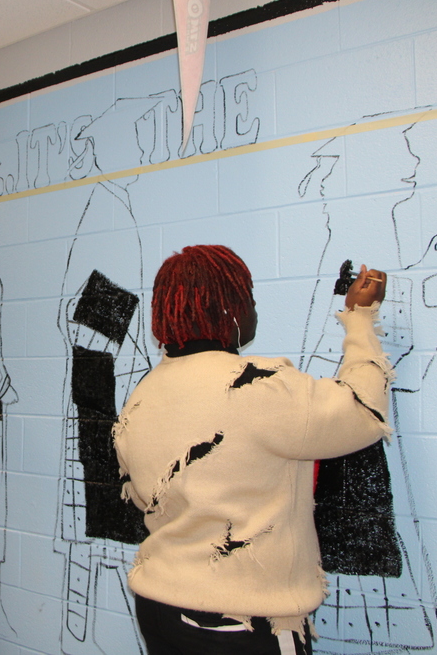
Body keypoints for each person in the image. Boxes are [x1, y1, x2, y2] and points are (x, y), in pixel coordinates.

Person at [113, 245, 391, 655]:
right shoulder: (255, 384)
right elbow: (364, 410)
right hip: (239, 624)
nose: (254, 308)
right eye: (249, 296)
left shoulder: (143, 395)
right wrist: (361, 319)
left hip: (160, 610)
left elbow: (139, 496)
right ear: (229, 308)